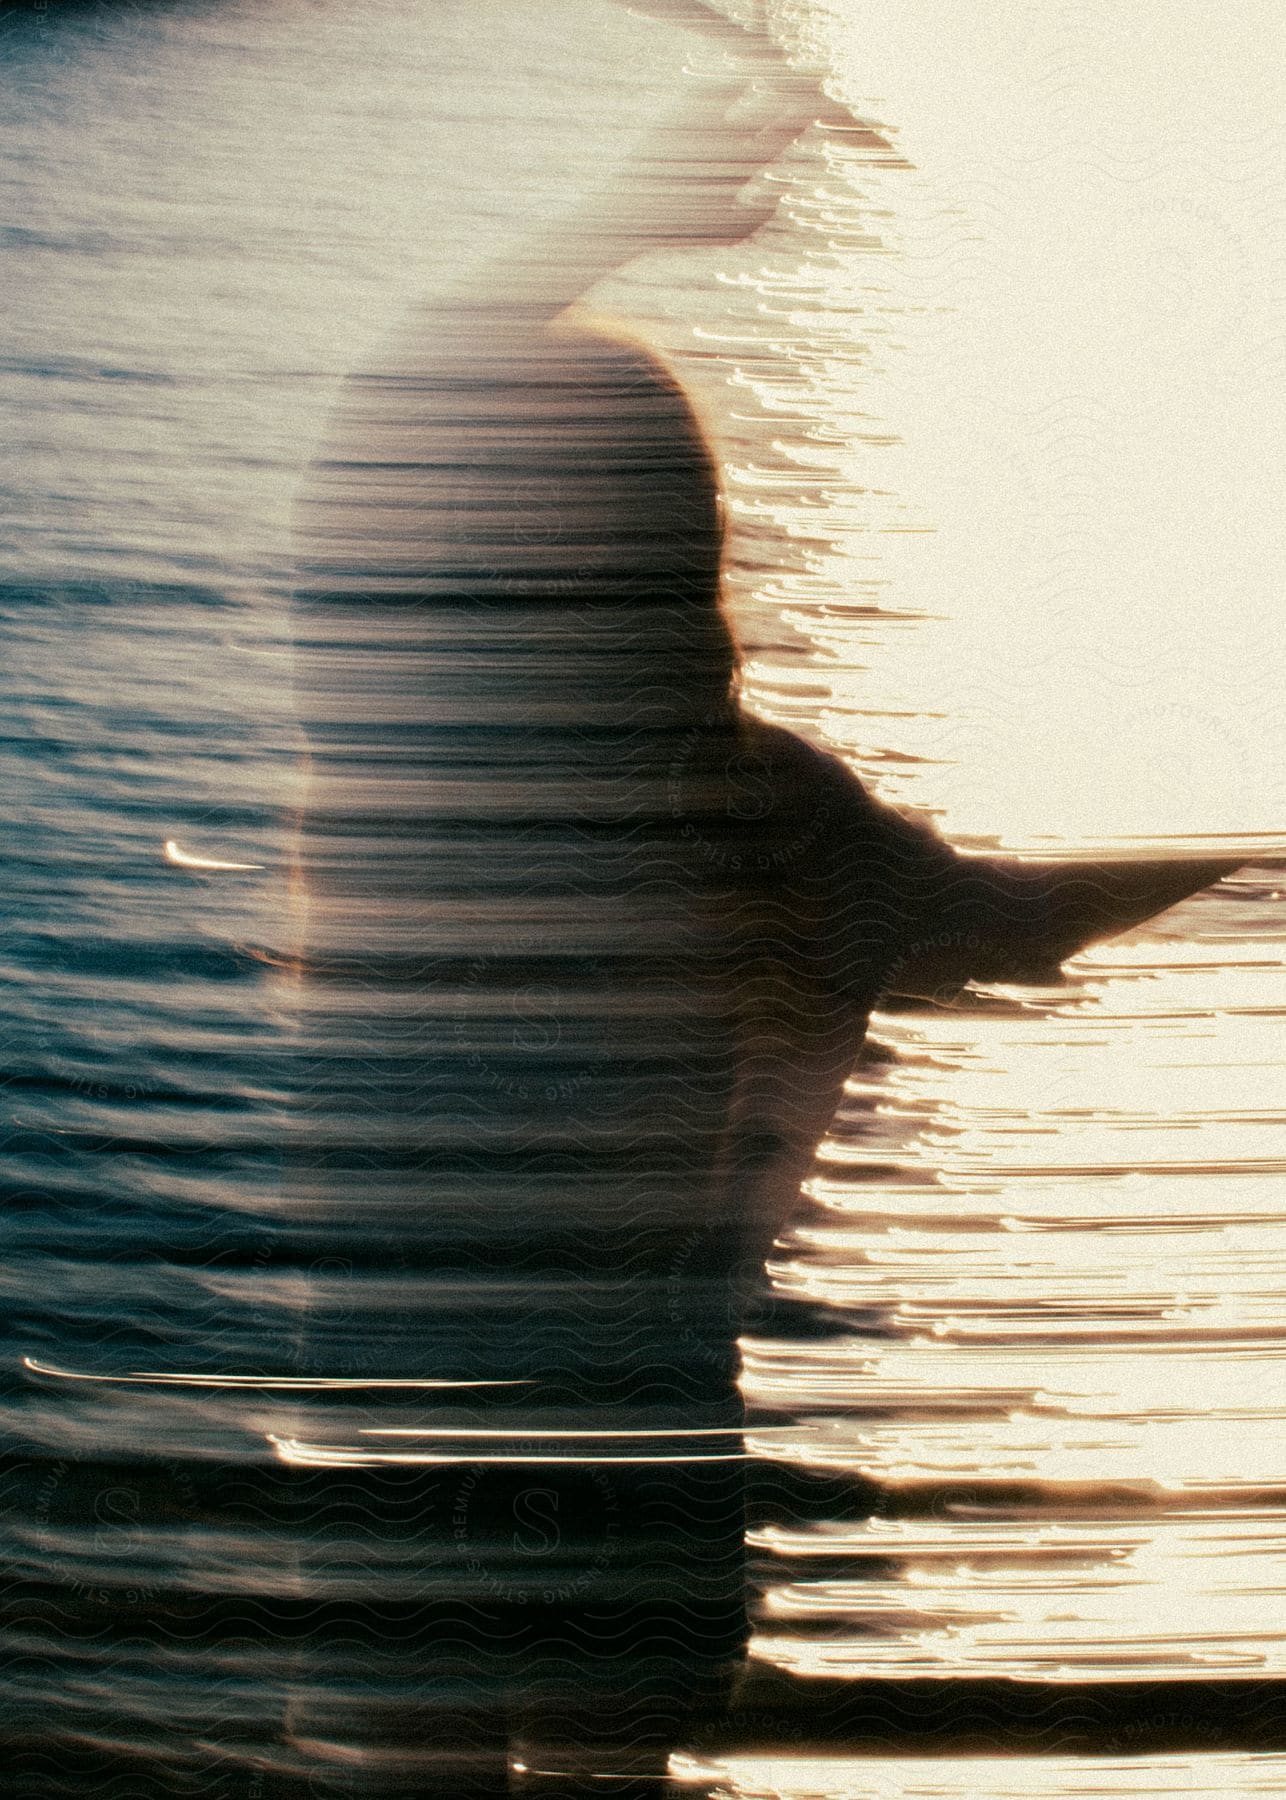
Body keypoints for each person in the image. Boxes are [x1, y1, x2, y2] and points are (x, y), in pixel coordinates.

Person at [282, 9, 1243, 1793]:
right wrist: (1228, 863)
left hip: (399, 1423)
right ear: (688, 546)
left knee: (398, 1773)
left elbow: (404, 398)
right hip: (638, 1428)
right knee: (612, 1777)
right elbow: (1008, 926)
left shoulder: (404, 778)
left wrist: (607, 216)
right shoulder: (764, 813)